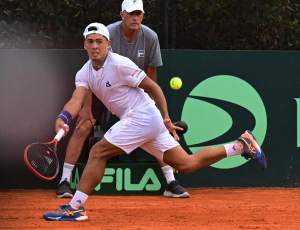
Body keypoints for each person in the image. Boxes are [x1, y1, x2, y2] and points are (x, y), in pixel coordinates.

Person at [43, 22, 267, 221]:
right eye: (90, 42)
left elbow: (153, 87)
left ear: (108, 44)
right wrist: (63, 118)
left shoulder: (120, 64)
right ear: (84, 45)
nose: (94, 46)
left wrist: (166, 119)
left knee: (98, 152)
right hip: (143, 122)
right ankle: (240, 145)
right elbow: (76, 100)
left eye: (99, 41)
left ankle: (75, 208)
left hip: (143, 116)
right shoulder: (84, 72)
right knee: (186, 164)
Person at [56, 0, 189, 199]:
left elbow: (150, 78)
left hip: (132, 92)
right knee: (83, 125)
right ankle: (65, 181)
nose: (135, 17)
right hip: (100, 89)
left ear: (142, 15)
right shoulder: (105, 33)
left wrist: (157, 111)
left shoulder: (150, 37)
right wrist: (84, 108)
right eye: (131, 13)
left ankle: (170, 181)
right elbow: (91, 74)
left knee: (155, 129)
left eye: (139, 13)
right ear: (122, 15)